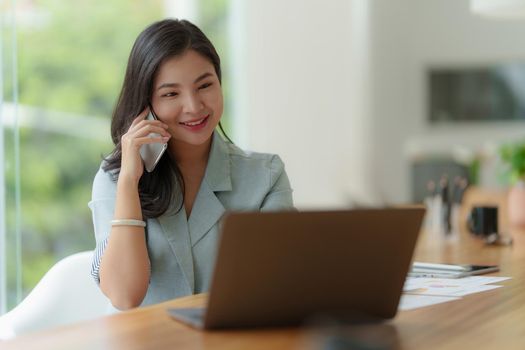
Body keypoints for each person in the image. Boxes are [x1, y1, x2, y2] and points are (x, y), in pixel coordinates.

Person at [89, 19, 294, 310]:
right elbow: (124, 295)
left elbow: (280, 283)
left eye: (205, 85)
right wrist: (128, 182)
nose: (194, 106)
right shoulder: (114, 180)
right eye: (171, 94)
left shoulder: (266, 176)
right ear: (145, 105)